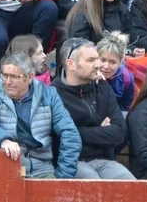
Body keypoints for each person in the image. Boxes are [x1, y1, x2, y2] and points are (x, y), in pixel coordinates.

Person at [0, 51, 81, 179]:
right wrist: (4, 140)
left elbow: (70, 133)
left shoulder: (48, 94)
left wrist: (63, 177)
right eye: (4, 75)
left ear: (30, 77)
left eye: (14, 77)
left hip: (42, 167)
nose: (7, 82)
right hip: (7, 165)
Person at [54, 39, 134, 180]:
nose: (98, 65)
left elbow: (119, 133)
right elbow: (59, 138)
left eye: (97, 58)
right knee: (93, 187)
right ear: (71, 64)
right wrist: (101, 131)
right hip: (72, 161)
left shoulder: (102, 87)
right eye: (91, 60)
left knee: (132, 187)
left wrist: (78, 131)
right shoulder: (54, 94)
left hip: (104, 160)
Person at [97, 32, 136, 113]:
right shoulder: (86, 74)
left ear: (121, 62)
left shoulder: (127, 78)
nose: (106, 66)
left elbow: (125, 106)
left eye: (112, 62)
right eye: (103, 60)